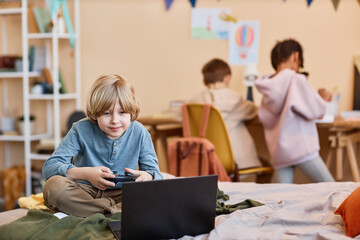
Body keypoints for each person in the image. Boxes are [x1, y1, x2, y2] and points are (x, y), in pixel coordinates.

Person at [42, 74, 163, 217]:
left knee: (158, 193)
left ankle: (101, 213)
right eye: (106, 113)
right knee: (53, 187)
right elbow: (49, 167)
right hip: (85, 191)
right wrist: (86, 174)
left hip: (122, 193)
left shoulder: (140, 132)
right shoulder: (80, 129)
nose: (114, 120)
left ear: (131, 112)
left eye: (122, 112)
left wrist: (147, 176)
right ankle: (115, 213)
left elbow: (155, 174)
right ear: (95, 114)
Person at [255, 39, 334, 183]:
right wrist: (321, 99)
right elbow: (316, 110)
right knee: (332, 188)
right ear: (296, 57)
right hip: (302, 150)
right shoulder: (296, 79)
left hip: (280, 153)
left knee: (280, 199)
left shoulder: (267, 87)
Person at [189, 58, 266, 171]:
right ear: (227, 78)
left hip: (207, 161)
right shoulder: (236, 99)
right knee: (266, 163)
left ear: (204, 81)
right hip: (237, 163)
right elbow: (259, 112)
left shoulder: (193, 102)